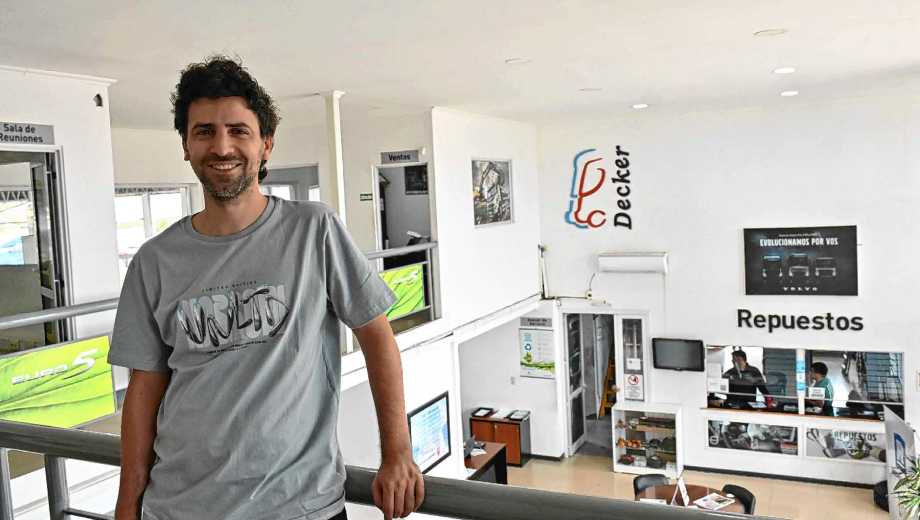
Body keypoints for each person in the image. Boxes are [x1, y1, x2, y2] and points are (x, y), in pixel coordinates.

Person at [109, 56, 423, 520]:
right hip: (180, 508)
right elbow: (145, 387)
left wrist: (397, 454)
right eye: (204, 131)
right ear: (186, 146)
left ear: (266, 144)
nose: (221, 146)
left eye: (238, 130)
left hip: (301, 507)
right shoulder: (154, 261)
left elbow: (377, 337)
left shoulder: (314, 231)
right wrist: (127, 501)